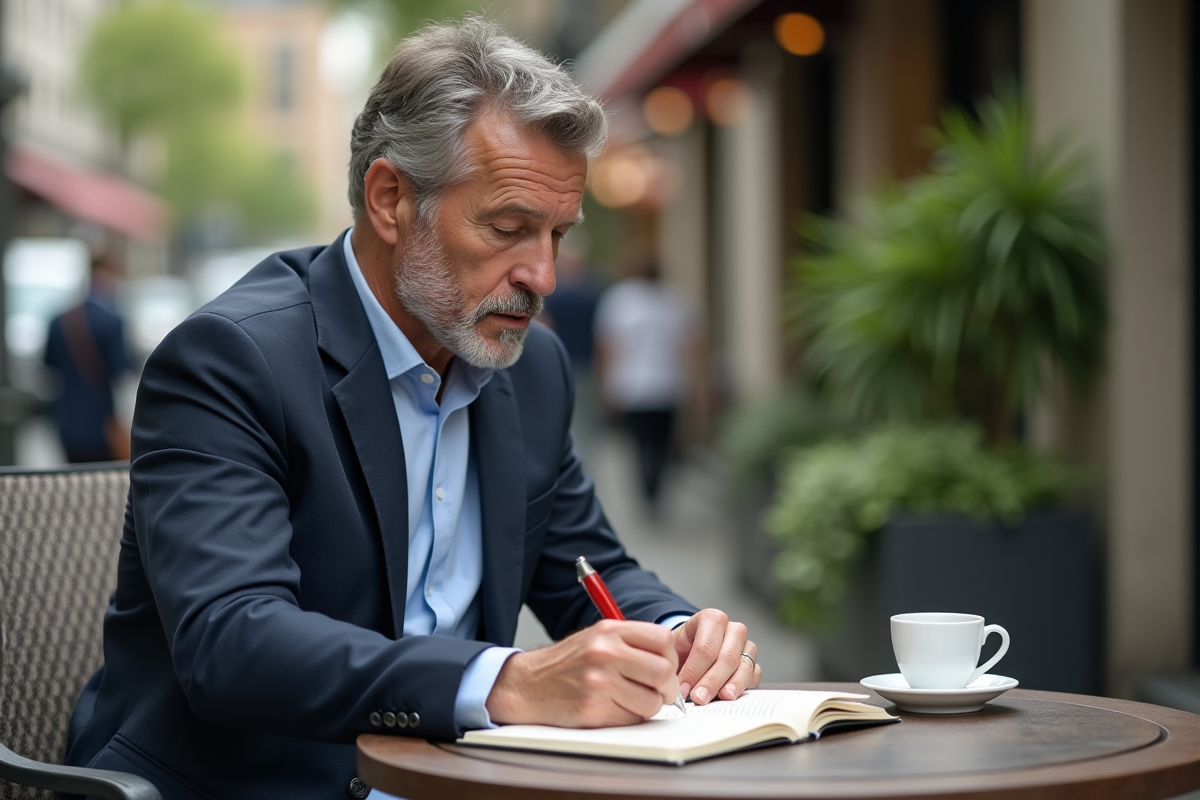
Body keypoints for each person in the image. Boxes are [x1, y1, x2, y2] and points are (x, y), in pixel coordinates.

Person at [64, 18, 759, 800]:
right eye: (509, 228)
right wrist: (506, 682)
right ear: (390, 199)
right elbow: (232, 642)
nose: (543, 275)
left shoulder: (532, 369)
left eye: (558, 234)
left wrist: (679, 635)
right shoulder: (231, 360)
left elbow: (588, 569)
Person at [594, 257, 700, 514]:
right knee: (659, 442)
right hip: (665, 385)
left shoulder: (620, 300)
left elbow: (608, 346)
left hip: (635, 385)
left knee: (643, 443)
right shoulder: (676, 301)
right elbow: (689, 347)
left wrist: (605, 382)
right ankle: (653, 492)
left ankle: (648, 492)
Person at [42, 249, 132, 463]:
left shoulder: (59, 320)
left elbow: (48, 364)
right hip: (100, 422)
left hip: (65, 420)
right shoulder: (111, 322)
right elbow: (121, 369)